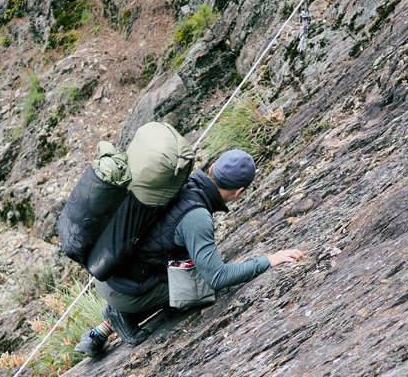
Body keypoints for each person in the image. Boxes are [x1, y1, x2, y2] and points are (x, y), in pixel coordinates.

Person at [75, 149, 304, 358]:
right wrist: (267, 261)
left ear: (212, 167)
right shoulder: (197, 217)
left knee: (191, 264)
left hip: (106, 271)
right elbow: (217, 277)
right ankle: (121, 312)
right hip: (124, 290)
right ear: (238, 192)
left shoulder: (179, 182)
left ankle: (103, 329)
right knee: (202, 287)